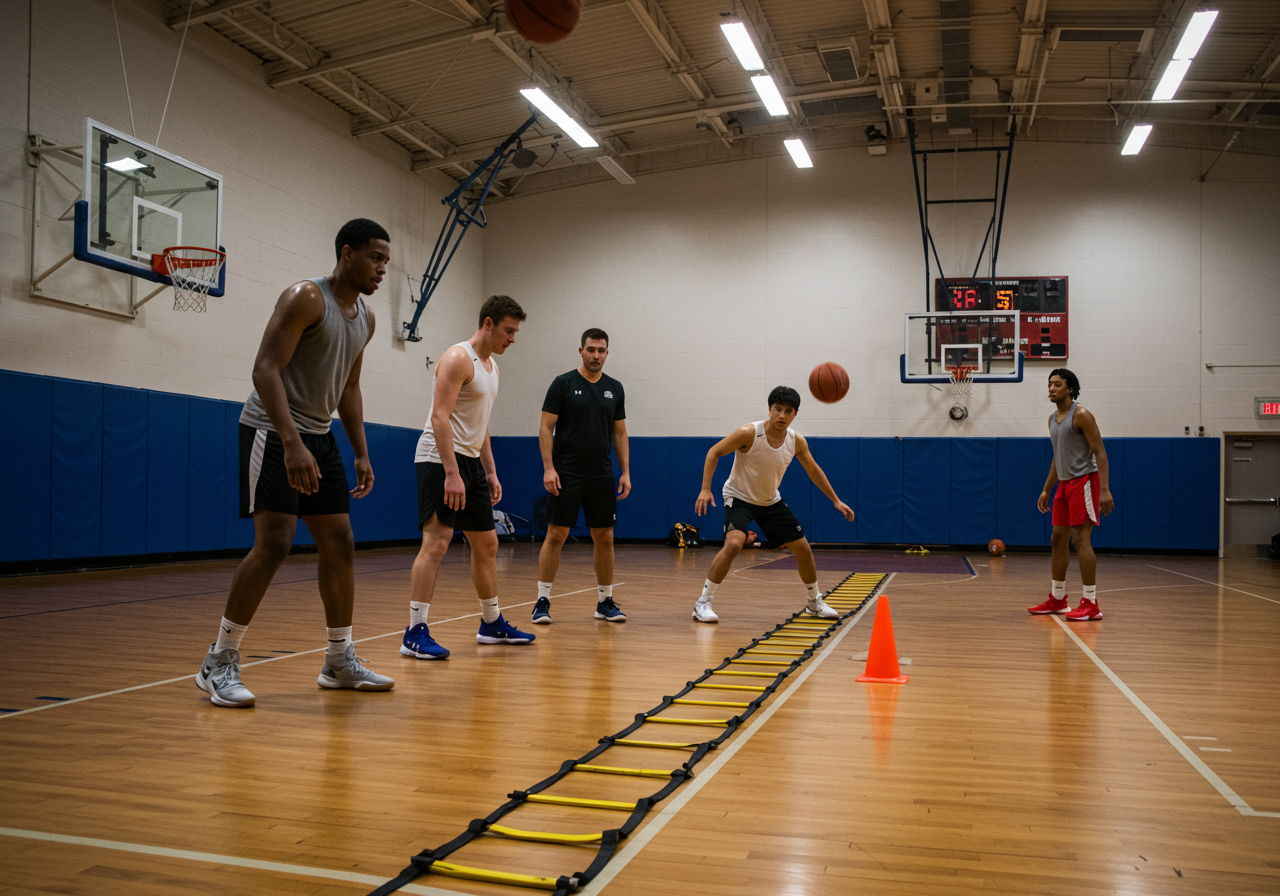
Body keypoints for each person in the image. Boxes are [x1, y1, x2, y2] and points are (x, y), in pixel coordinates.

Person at [196, 218, 394, 708]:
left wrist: (361, 450)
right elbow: (265, 369)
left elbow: (348, 387)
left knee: (340, 541)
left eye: (386, 261)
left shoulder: (365, 319)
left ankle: (338, 660)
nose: (381, 269)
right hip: (271, 428)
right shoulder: (306, 298)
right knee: (276, 542)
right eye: (375, 258)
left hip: (320, 437)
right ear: (347, 253)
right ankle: (218, 661)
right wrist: (291, 442)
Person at [401, 295, 536, 659]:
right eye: (509, 330)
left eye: (516, 332)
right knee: (437, 541)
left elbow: (481, 423)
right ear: (488, 323)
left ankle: (491, 623)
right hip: (439, 460)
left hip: (471, 462)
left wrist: (489, 471)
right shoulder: (458, 358)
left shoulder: (491, 367)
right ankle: (414, 632)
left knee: (487, 544)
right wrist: (451, 473)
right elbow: (439, 418)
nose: (512, 338)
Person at [692, 386, 855, 623]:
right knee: (735, 543)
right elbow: (714, 451)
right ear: (769, 410)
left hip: (770, 501)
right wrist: (705, 489)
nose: (781, 415)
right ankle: (703, 603)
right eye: (777, 409)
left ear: (794, 414)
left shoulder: (796, 441)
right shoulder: (749, 433)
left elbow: (813, 470)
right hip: (739, 497)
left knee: (803, 549)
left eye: (788, 411)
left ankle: (813, 602)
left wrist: (836, 500)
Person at [532, 328, 631, 624]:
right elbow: (545, 427)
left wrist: (625, 471)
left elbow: (619, 431)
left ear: (607, 353)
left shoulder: (615, 388)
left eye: (601, 350)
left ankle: (605, 602)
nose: (595, 355)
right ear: (581, 351)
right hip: (567, 472)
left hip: (601, 473)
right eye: (590, 349)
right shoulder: (563, 384)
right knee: (556, 534)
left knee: (604, 537)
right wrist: (549, 468)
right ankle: (542, 600)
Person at [1028, 368, 1115, 621]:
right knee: (1057, 539)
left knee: (1080, 540)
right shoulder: (1052, 419)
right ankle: (1057, 598)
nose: (1051, 389)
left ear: (1070, 388)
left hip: (1084, 482)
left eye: (1056, 384)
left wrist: (1105, 490)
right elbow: (1058, 457)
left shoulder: (1082, 415)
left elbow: (1100, 452)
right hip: (1064, 485)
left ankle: (1091, 602)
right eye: (1049, 385)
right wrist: (1047, 488)